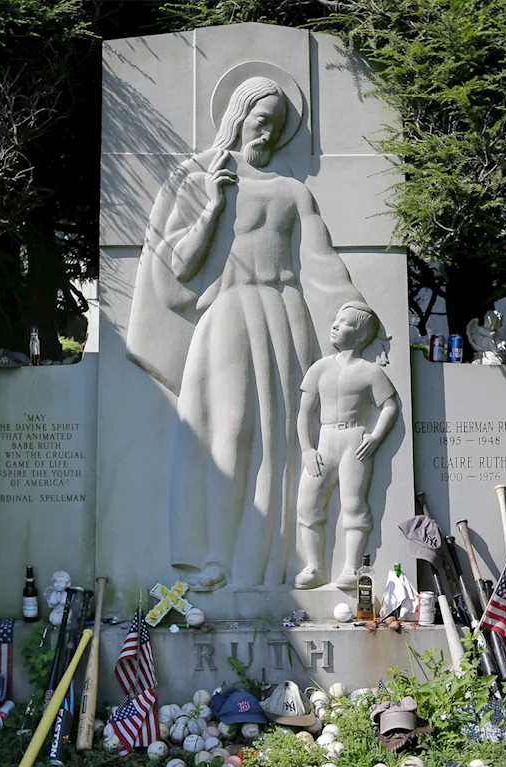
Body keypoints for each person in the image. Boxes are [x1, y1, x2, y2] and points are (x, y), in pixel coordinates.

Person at [128, 75, 365, 591]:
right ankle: (215, 556)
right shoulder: (197, 179)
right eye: (262, 122)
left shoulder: (293, 193)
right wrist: (214, 205)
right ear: (237, 118)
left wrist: (356, 311)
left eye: (278, 127)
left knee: (281, 440)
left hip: (285, 317)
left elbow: (322, 264)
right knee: (229, 431)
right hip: (230, 315)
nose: (268, 136)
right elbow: (181, 269)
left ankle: (272, 559)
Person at [294, 302, 397, 590]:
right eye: (336, 320)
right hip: (325, 440)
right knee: (308, 503)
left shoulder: (370, 371)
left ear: (362, 335)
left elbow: (389, 406)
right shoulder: (320, 368)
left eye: (346, 322)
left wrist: (375, 437)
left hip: (355, 441)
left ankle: (351, 568)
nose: (336, 325)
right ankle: (314, 567)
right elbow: (304, 412)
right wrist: (306, 449)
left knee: (353, 504)